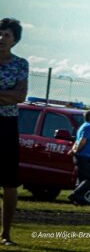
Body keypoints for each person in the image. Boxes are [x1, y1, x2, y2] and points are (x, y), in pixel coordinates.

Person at [0, 18, 28, 247]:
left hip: (8, 124)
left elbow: (20, 96)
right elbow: (12, 94)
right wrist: (6, 94)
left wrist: (9, 95)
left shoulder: (20, 64)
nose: (2, 38)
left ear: (15, 40)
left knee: (9, 182)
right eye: (0, 33)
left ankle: (5, 233)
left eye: (7, 35)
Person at [68, 109, 90, 205]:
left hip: (82, 157)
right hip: (84, 157)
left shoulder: (84, 127)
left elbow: (77, 141)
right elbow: (82, 141)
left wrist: (73, 151)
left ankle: (78, 200)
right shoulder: (88, 127)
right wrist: (75, 150)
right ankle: (75, 195)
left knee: (82, 179)